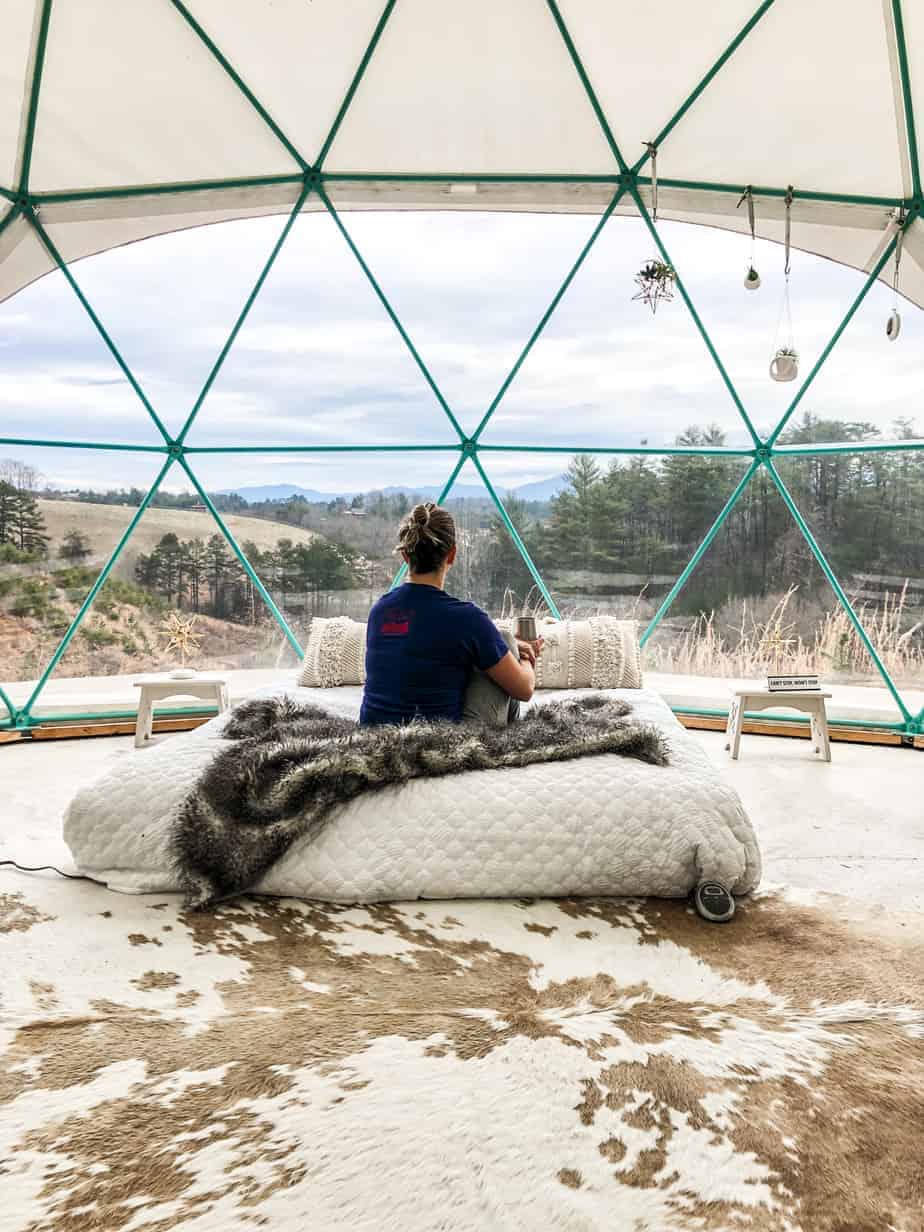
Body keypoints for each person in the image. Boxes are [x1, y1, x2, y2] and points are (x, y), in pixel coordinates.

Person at [359, 502, 541, 728]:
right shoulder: (468, 619)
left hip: (373, 738)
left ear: (405, 556)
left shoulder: (380, 611)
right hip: (441, 745)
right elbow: (524, 690)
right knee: (502, 639)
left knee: (497, 642)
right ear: (452, 554)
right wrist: (527, 657)